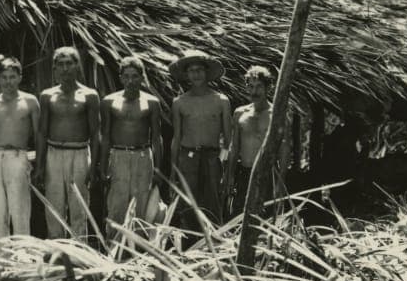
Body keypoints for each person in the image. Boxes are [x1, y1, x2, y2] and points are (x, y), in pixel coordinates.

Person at [35, 47, 100, 240]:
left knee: (79, 207)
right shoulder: (47, 95)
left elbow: (96, 133)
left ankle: (79, 253)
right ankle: (58, 252)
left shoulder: (89, 95)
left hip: (80, 153)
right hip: (54, 154)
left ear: (77, 65)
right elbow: (42, 132)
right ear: (54, 68)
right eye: (60, 64)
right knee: (54, 206)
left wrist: (94, 165)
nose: (65, 69)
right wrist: (39, 165)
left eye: (69, 63)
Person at [100, 56, 163, 241]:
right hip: (118, 155)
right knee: (117, 204)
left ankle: (139, 249)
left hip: (143, 156)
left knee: (141, 202)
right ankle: (114, 246)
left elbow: (157, 137)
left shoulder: (151, 102)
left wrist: (158, 167)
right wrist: (103, 166)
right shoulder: (109, 102)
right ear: (120, 77)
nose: (130, 81)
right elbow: (105, 136)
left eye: (135, 76)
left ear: (142, 77)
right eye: (126, 76)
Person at [169, 50, 233, 229]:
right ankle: (189, 247)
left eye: (199, 70)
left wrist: (225, 166)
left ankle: (214, 246)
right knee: (188, 204)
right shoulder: (180, 102)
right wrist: (173, 172)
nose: (196, 74)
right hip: (187, 158)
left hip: (213, 158)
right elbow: (177, 137)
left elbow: (228, 140)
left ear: (206, 73)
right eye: (191, 70)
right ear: (186, 75)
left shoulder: (221, 100)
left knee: (212, 204)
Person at [0, 57, 41, 242]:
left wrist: (39, 165)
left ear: (20, 77)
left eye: (12, 77)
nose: (8, 81)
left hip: (18, 157)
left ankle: (23, 258)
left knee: (20, 210)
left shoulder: (30, 102)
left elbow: (39, 135)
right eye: (4, 77)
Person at [228, 66, 291, 219]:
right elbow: (234, 147)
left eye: (259, 87)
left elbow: (284, 150)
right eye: (250, 86)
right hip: (244, 172)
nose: (254, 91)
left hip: (268, 174)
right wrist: (229, 175)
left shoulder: (277, 114)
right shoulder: (240, 113)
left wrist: (280, 182)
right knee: (239, 217)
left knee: (266, 218)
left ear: (268, 88)